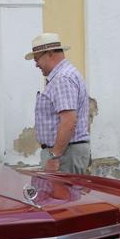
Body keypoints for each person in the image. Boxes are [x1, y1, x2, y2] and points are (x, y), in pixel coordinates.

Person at [27, 32, 90, 174]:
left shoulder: (62, 78)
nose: (36, 64)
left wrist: (55, 156)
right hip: (65, 153)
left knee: (61, 195)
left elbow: (68, 121)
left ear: (49, 54)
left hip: (65, 155)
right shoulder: (63, 75)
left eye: (37, 59)